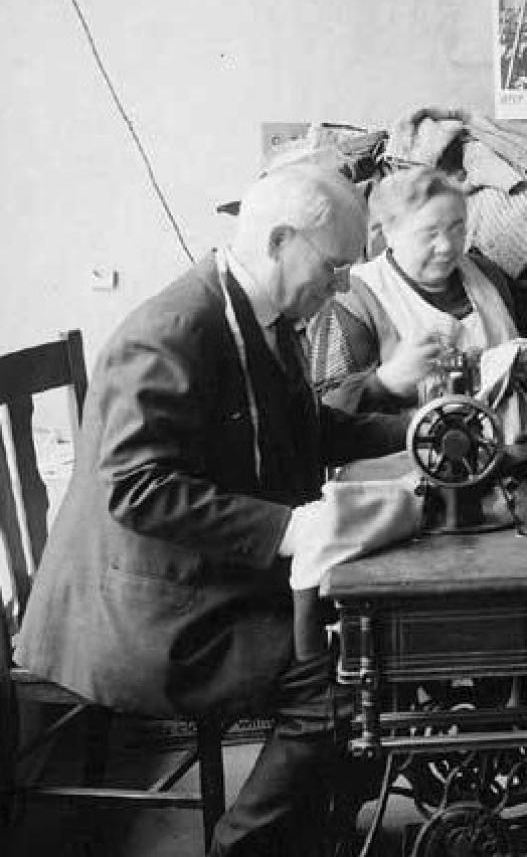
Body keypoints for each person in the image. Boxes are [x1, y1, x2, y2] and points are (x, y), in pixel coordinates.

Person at [15, 165, 410, 856]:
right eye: (335, 265)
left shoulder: (262, 314)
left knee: (361, 641)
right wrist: (288, 528)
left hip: (191, 578)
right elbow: (135, 487)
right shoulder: (171, 331)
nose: (343, 284)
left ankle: (314, 833)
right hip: (140, 609)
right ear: (282, 240)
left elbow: (303, 427)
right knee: (338, 674)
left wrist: (414, 430)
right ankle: (244, 847)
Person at [311, 167, 527, 443]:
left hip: (519, 446)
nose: (447, 246)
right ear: (389, 232)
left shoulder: (487, 274)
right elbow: (324, 414)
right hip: (418, 462)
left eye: (457, 228)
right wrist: (383, 383)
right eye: (429, 234)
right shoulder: (355, 297)